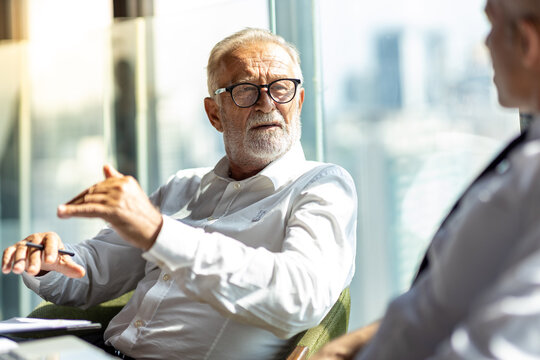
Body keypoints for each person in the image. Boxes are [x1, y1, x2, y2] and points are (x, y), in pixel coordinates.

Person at [1, 28, 357, 360]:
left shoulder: (323, 186)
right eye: (246, 90)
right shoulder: (184, 187)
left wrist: (160, 233)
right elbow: (90, 274)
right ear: (214, 113)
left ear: (299, 100)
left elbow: (299, 297)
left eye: (281, 87)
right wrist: (49, 262)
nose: (267, 103)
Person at [312, 0, 540, 359]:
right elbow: (447, 300)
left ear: (527, 42)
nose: (485, 43)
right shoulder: (524, 156)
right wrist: (361, 344)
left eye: (492, 25)